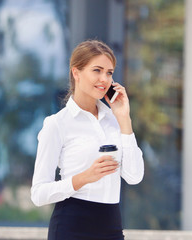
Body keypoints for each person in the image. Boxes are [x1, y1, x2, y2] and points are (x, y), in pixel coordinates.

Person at [31, 40, 144, 240]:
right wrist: (85, 177)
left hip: (111, 225)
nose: (104, 79)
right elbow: (38, 194)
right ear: (76, 73)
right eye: (97, 70)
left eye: (109, 72)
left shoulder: (115, 119)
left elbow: (134, 176)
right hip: (71, 225)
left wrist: (124, 118)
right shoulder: (57, 124)